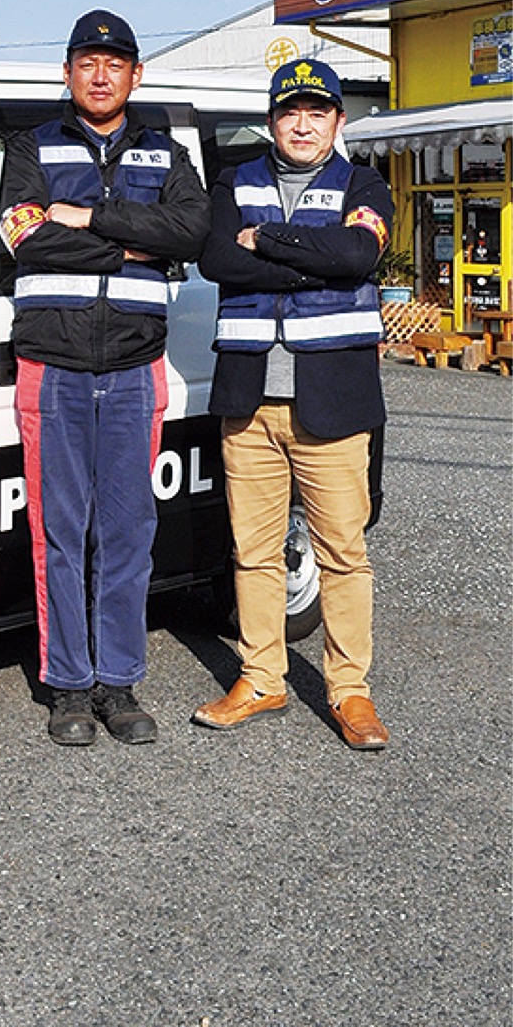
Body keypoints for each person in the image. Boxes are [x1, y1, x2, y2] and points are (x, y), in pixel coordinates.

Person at [0, 10, 210, 746]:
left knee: (128, 529)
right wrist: (130, 249)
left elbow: (192, 234)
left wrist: (89, 219)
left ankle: (119, 682)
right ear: (67, 72)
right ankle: (68, 685)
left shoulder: (165, 151)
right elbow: (23, 234)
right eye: (86, 61)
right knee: (60, 532)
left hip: (131, 366)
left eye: (114, 63)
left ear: (134, 75)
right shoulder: (32, 146)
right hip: (51, 366)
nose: (99, 74)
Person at [192, 58, 393, 750]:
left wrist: (270, 239)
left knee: (343, 550)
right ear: (271, 119)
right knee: (252, 550)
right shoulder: (234, 179)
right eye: (289, 111)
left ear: (337, 120)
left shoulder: (362, 182)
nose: (302, 122)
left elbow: (360, 253)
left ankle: (351, 691)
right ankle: (262, 676)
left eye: (316, 111)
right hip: (249, 399)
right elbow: (216, 258)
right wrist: (315, 257)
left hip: (331, 400)